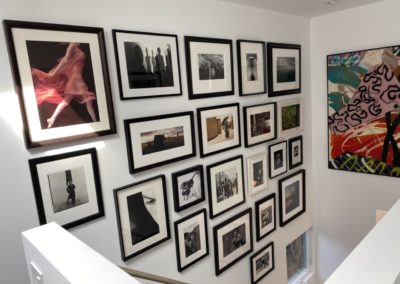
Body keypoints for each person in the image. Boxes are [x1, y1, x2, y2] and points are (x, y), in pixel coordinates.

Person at [31, 42, 97, 128]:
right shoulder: (72, 45)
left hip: (77, 80)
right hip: (75, 80)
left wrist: (62, 60)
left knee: (71, 101)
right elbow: (66, 59)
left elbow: (67, 60)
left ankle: (52, 118)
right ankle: (95, 121)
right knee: (82, 101)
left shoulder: (76, 49)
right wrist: (53, 73)